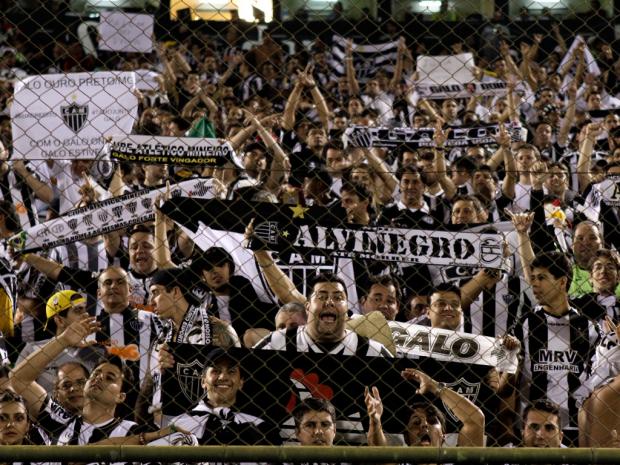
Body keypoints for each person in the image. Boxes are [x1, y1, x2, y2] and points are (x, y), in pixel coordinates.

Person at [156, 348, 281, 446]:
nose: (223, 377)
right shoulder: (175, 424)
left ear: (241, 382)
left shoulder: (262, 428)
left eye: (231, 371)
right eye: (216, 370)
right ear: (203, 381)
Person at [254, 272, 392, 356]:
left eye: (338, 298)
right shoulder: (274, 343)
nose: (330, 302)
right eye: (321, 297)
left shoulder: (374, 351)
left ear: (347, 308)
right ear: (307, 307)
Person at [365, 368, 485, 452]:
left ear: (442, 436)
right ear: (407, 438)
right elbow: (378, 448)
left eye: (432, 421)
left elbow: (476, 420)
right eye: (416, 423)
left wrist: (433, 386)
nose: (424, 425)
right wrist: (375, 422)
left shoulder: (457, 460)